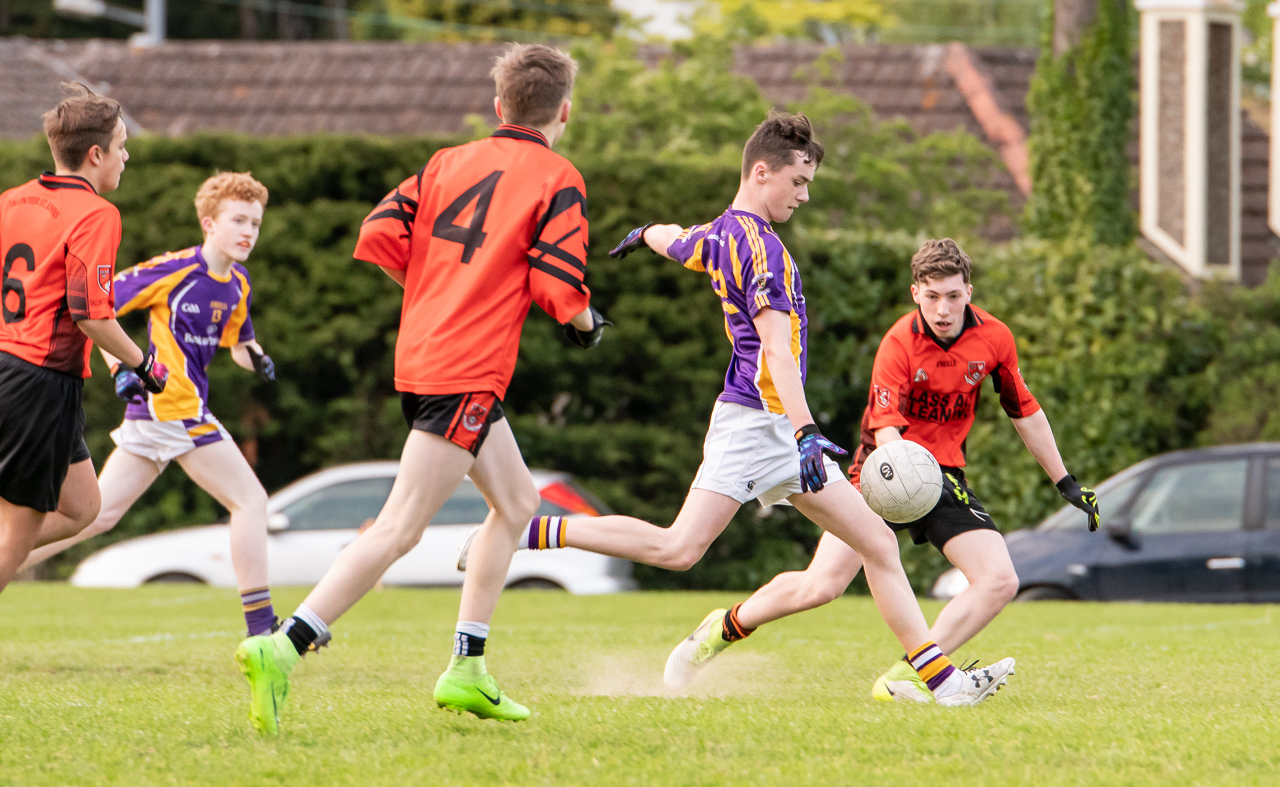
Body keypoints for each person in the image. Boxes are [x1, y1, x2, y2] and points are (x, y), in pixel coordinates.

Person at [487, 114, 1013, 706]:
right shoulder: (763, 250)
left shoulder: (715, 234)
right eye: (798, 181)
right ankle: (526, 531)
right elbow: (776, 351)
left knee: (878, 546)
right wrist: (808, 430)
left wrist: (643, 234)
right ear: (762, 173)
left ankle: (941, 684)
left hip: (780, 430)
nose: (804, 195)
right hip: (756, 425)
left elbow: (675, 238)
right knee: (678, 549)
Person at [234, 43, 608, 735]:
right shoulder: (559, 175)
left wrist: (438, 292)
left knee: (518, 501)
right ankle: (283, 644)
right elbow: (561, 287)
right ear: (565, 111)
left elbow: (377, 233)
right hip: (467, 368)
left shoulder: (444, 162)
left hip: (429, 355)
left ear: (498, 107)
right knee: (401, 525)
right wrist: (587, 323)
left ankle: (468, 666)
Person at [661, 238, 1099, 701]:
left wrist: (1065, 481)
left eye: (953, 296)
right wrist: (904, 476)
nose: (943, 309)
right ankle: (721, 629)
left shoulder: (994, 338)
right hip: (884, 473)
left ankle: (911, 676)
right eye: (932, 297)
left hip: (943, 475)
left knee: (999, 581)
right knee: (821, 586)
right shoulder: (899, 343)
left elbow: (1024, 411)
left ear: (969, 292)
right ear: (916, 294)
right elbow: (887, 431)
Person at [21, 172, 278, 636]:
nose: (247, 232)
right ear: (208, 223)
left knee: (97, 517)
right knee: (251, 501)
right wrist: (121, 366)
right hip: (172, 406)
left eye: (255, 224)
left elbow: (241, 343)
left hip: (160, 415)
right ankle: (262, 630)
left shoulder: (238, 283)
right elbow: (97, 305)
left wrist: (257, 360)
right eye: (238, 220)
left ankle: (5, 552)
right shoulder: (176, 269)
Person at [0, 83, 167, 594]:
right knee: (19, 526)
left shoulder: (12, 199)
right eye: (121, 146)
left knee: (82, 507)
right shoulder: (97, 214)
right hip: (38, 382)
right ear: (96, 155)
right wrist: (143, 363)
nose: (127, 156)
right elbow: (90, 314)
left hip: (14, 368)